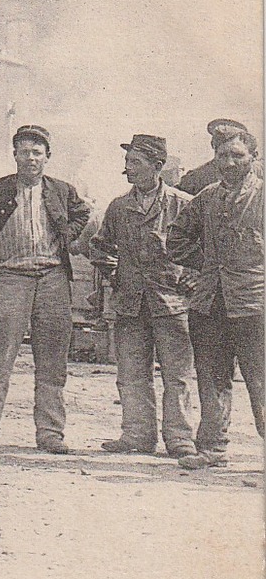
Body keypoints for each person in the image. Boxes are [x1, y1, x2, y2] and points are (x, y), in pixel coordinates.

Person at [0, 123, 92, 452]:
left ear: (47, 158)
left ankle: (50, 432)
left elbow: (84, 214)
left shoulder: (62, 190)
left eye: (37, 153)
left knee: (52, 361)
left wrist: (68, 231)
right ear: (14, 156)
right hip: (10, 277)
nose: (30, 158)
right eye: (24, 152)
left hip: (52, 278)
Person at [88, 134, 196, 458]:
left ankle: (179, 439)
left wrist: (189, 279)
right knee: (132, 375)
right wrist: (116, 275)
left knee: (177, 375)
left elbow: (204, 250)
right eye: (127, 161)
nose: (128, 168)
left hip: (171, 304)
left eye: (135, 162)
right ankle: (136, 435)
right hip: (130, 304)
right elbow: (100, 247)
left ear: (157, 166)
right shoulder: (119, 207)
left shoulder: (182, 204)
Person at [168, 128, 263, 470]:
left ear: (253, 156)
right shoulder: (207, 197)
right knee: (211, 377)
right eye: (222, 156)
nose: (230, 163)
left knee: (261, 378)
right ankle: (211, 448)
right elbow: (175, 240)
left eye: (238, 155)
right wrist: (207, 261)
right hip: (209, 303)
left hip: (255, 303)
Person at [178, 118, 250, 196]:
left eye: (236, 154)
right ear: (213, 144)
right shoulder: (196, 178)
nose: (230, 163)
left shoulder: (259, 172)